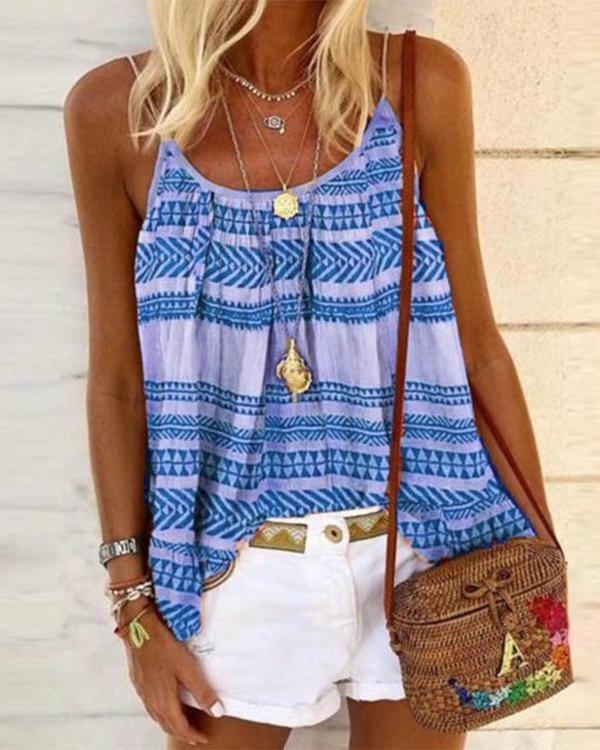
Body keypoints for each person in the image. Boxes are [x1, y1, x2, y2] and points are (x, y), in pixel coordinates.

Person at [64, 1, 555, 748]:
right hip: (231, 571)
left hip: (428, 552)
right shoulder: (116, 112)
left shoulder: (418, 83)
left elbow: (477, 344)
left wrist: (539, 551)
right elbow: (117, 384)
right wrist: (133, 607)